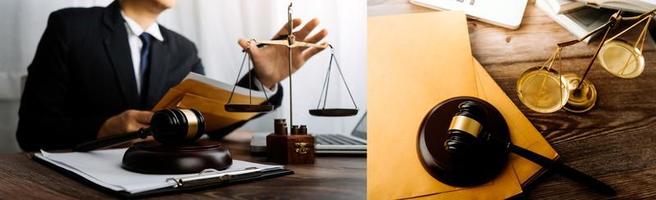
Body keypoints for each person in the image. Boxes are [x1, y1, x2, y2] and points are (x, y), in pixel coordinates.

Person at [16, 0, 327, 151]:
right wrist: (103, 128)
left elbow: (209, 123)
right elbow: (32, 132)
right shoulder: (70, 27)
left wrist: (263, 81)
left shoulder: (183, 50)